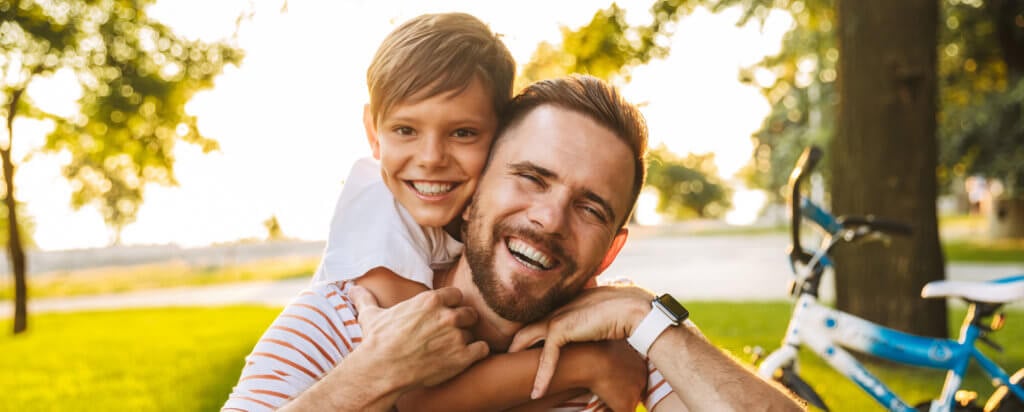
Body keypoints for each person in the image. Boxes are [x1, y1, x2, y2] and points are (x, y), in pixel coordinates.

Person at [224, 75, 802, 411]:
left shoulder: (631, 352)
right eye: (531, 177)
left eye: (589, 207)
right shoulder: (339, 327)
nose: (550, 220)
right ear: (471, 194)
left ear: (610, 252)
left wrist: (645, 319)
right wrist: (370, 374)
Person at [224, 12, 668, 411]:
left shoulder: (623, 330)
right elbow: (419, 386)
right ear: (373, 133)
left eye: (461, 132)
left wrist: (639, 328)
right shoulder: (367, 248)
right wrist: (583, 366)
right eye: (405, 130)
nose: (431, 158)